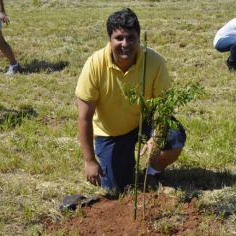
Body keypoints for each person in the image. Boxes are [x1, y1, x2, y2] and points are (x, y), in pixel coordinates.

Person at [75, 8, 186, 194]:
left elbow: (162, 106)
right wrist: (89, 161)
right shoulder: (94, 64)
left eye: (131, 38)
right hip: (112, 131)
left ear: (138, 38)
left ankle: (152, 172)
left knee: (174, 136)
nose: (125, 44)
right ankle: (122, 165)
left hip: (145, 120)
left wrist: (156, 137)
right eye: (119, 38)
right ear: (109, 39)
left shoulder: (155, 61)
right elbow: (84, 117)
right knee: (115, 189)